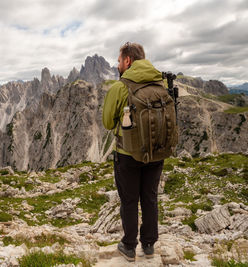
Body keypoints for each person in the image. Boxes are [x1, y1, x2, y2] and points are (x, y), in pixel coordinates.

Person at [102, 42, 164, 262]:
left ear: (128, 61)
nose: (117, 65)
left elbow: (108, 123)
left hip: (127, 153)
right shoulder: (161, 82)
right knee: (150, 197)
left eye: (119, 61)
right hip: (157, 153)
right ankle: (148, 245)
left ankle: (128, 246)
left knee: (129, 200)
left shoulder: (121, 87)